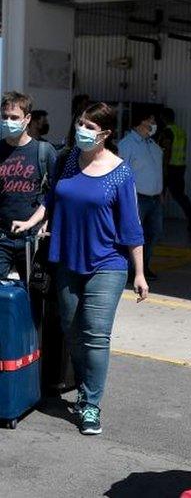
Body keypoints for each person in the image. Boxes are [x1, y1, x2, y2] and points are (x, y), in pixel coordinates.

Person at [13, 102, 149, 435]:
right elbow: (51, 201)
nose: (82, 130)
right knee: (73, 332)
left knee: (95, 335)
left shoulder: (120, 172)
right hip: (67, 260)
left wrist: (140, 273)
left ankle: (91, 405)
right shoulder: (67, 160)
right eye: (80, 123)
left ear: (105, 133)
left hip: (108, 263)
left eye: (90, 126)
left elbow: (132, 228)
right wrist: (31, 221)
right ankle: (86, 385)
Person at [0, 92, 57, 281]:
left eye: (14, 117)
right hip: (2, 237)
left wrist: (47, 221)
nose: (9, 121)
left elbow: (56, 193)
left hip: (33, 238)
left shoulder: (44, 151)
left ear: (27, 119)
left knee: (35, 297)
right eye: (5, 117)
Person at [118, 108, 163, 281]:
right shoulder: (127, 144)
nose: (152, 125)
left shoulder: (152, 144)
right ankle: (131, 270)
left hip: (154, 198)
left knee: (154, 233)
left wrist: (161, 191)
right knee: (134, 235)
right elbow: (120, 172)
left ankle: (143, 266)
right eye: (149, 121)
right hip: (137, 198)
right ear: (139, 123)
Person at [158, 107, 191, 230]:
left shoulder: (167, 132)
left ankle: (154, 221)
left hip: (169, 167)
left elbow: (167, 150)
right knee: (179, 195)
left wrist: (164, 167)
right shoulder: (180, 131)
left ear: (164, 118)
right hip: (179, 166)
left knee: (158, 195)